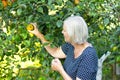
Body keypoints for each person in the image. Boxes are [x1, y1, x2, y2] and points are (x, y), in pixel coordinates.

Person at [28, 16, 98, 80]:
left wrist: (60, 69)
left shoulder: (89, 55)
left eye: (64, 30)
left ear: (72, 34)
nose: (62, 32)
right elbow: (54, 52)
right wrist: (38, 34)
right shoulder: (71, 46)